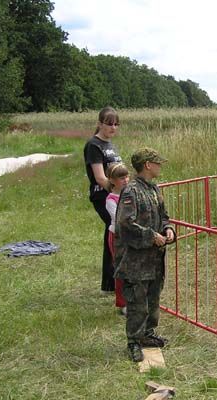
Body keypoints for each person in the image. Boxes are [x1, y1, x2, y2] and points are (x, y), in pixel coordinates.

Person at [114, 148, 175, 363]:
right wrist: (151, 236)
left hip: (155, 258)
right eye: (157, 163)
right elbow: (125, 224)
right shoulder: (131, 191)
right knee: (137, 302)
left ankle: (148, 333)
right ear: (148, 165)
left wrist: (168, 229)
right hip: (136, 261)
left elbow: (164, 216)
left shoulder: (154, 188)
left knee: (153, 298)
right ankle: (133, 341)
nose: (160, 166)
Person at [83, 106, 123, 294]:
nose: (113, 127)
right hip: (103, 196)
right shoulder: (94, 145)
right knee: (114, 230)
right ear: (100, 124)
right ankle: (111, 282)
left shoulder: (111, 145)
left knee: (114, 231)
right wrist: (117, 192)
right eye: (109, 124)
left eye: (116, 124)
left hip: (116, 194)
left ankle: (111, 282)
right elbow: (100, 177)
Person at [105, 163, 130, 316]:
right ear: (112, 180)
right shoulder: (111, 199)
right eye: (121, 178)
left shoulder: (130, 194)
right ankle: (123, 303)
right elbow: (120, 219)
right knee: (121, 269)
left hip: (132, 236)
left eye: (127, 176)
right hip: (118, 237)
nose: (126, 180)